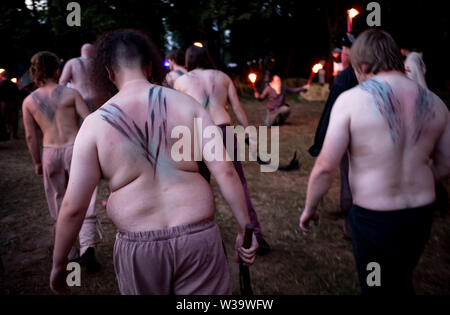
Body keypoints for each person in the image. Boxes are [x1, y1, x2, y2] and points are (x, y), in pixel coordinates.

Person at [50, 29, 258, 295]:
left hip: (140, 249)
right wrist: (244, 228)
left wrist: (59, 264)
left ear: (109, 72)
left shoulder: (94, 124)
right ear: (149, 66)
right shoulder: (189, 106)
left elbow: (73, 207)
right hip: (198, 238)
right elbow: (226, 172)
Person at [299, 29, 450, 295]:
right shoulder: (436, 103)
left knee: (377, 286)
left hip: (375, 219)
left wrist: (310, 207)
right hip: (420, 214)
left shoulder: (352, 101)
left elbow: (325, 166)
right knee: (401, 277)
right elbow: (446, 163)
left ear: (364, 65)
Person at [174, 44, 271, 255]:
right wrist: (249, 134)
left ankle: (198, 237)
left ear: (189, 60)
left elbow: (176, 113)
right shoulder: (223, 77)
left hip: (198, 133)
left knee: (198, 185)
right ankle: (255, 235)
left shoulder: (181, 81)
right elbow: (236, 107)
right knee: (239, 183)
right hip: (223, 130)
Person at [22, 51, 100, 272]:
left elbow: (30, 136)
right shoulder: (71, 94)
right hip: (75, 149)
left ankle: (70, 254)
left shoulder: (29, 101)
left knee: (58, 201)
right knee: (86, 197)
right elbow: (89, 121)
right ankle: (87, 250)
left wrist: (37, 161)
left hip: (49, 151)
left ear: (34, 72)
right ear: (58, 70)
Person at [308, 33, 359, 238]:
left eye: (345, 50)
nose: (342, 54)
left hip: (352, 134)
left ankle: (351, 223)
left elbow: (332, 111)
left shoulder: (345, 78)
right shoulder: (354, 75)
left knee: (351, 176)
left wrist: (321, 140)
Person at [59, 43, 103, 112]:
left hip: (81, 99)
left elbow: (62, 82)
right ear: (93, 51)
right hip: (99, 98)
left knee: (84, 122)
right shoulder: (97, 63)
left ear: (82, 51)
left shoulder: (72, 62)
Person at [0, 70, 20, 140]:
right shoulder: (13, 84)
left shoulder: (0, 84)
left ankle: (5, 133)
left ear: (1, 76)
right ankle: (14, 134)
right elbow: (17, 93)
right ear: (7, 76)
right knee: (14, 119)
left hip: (3, 103)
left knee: (4, 118)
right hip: (13, 103)